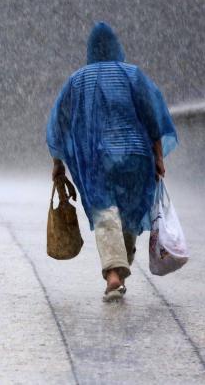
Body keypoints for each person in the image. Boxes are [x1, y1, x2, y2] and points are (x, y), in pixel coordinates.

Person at [46, 22, 177, 302]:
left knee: (105, 212)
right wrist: (158, 156)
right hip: (136, 157)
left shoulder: (77, 80)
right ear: (117, 47)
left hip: (96, 158)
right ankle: (119, 269)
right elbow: (153, 117)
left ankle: (113, 274)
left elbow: (59, 123)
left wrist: (58, 162)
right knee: (129, 214)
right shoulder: (133, 75)